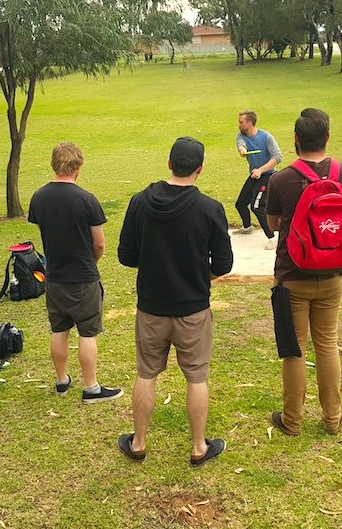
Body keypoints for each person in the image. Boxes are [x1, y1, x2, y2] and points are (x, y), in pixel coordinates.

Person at [117, 137, 234, 466]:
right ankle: (198, 447)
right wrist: (195, 275)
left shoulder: (139, 202)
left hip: (151, 308)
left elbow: (127, 255)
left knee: (146, 374)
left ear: (169, 163)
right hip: (193, 310)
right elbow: (223, 265)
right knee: (196, 377)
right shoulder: (210, 209)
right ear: (200, 169)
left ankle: (138, 442)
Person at [265, 108, 342, 436]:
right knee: (328, 343)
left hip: (293, 276)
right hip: (332, 274)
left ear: (296, 140)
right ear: (328, 136)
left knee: (295, 348)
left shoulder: (281, 179)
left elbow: (274, 224)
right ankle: (333, 418)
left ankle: (292, 420)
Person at [28, 142, 123, 403]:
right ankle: (91, 387)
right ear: (78, 167)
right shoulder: (86, 199)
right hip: (83, 277)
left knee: (59, 329)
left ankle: (61, 380)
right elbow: (100, 243)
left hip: (54, 276)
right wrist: (92, 262)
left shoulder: (39, 197)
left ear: (53, 164)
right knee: (87, 332)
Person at [233, 110, 282, 249]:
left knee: (257, 206)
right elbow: (241, 144)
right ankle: (247, 227)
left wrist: (261, 170)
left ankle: (272, 237)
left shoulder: (267, 137)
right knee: (240, 204)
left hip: (267, 175)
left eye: (241, 122)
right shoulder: (241, 136)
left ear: (249, 123)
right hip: (254, 175)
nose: (239, 124)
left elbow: (277, 158)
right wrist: (242, 150)